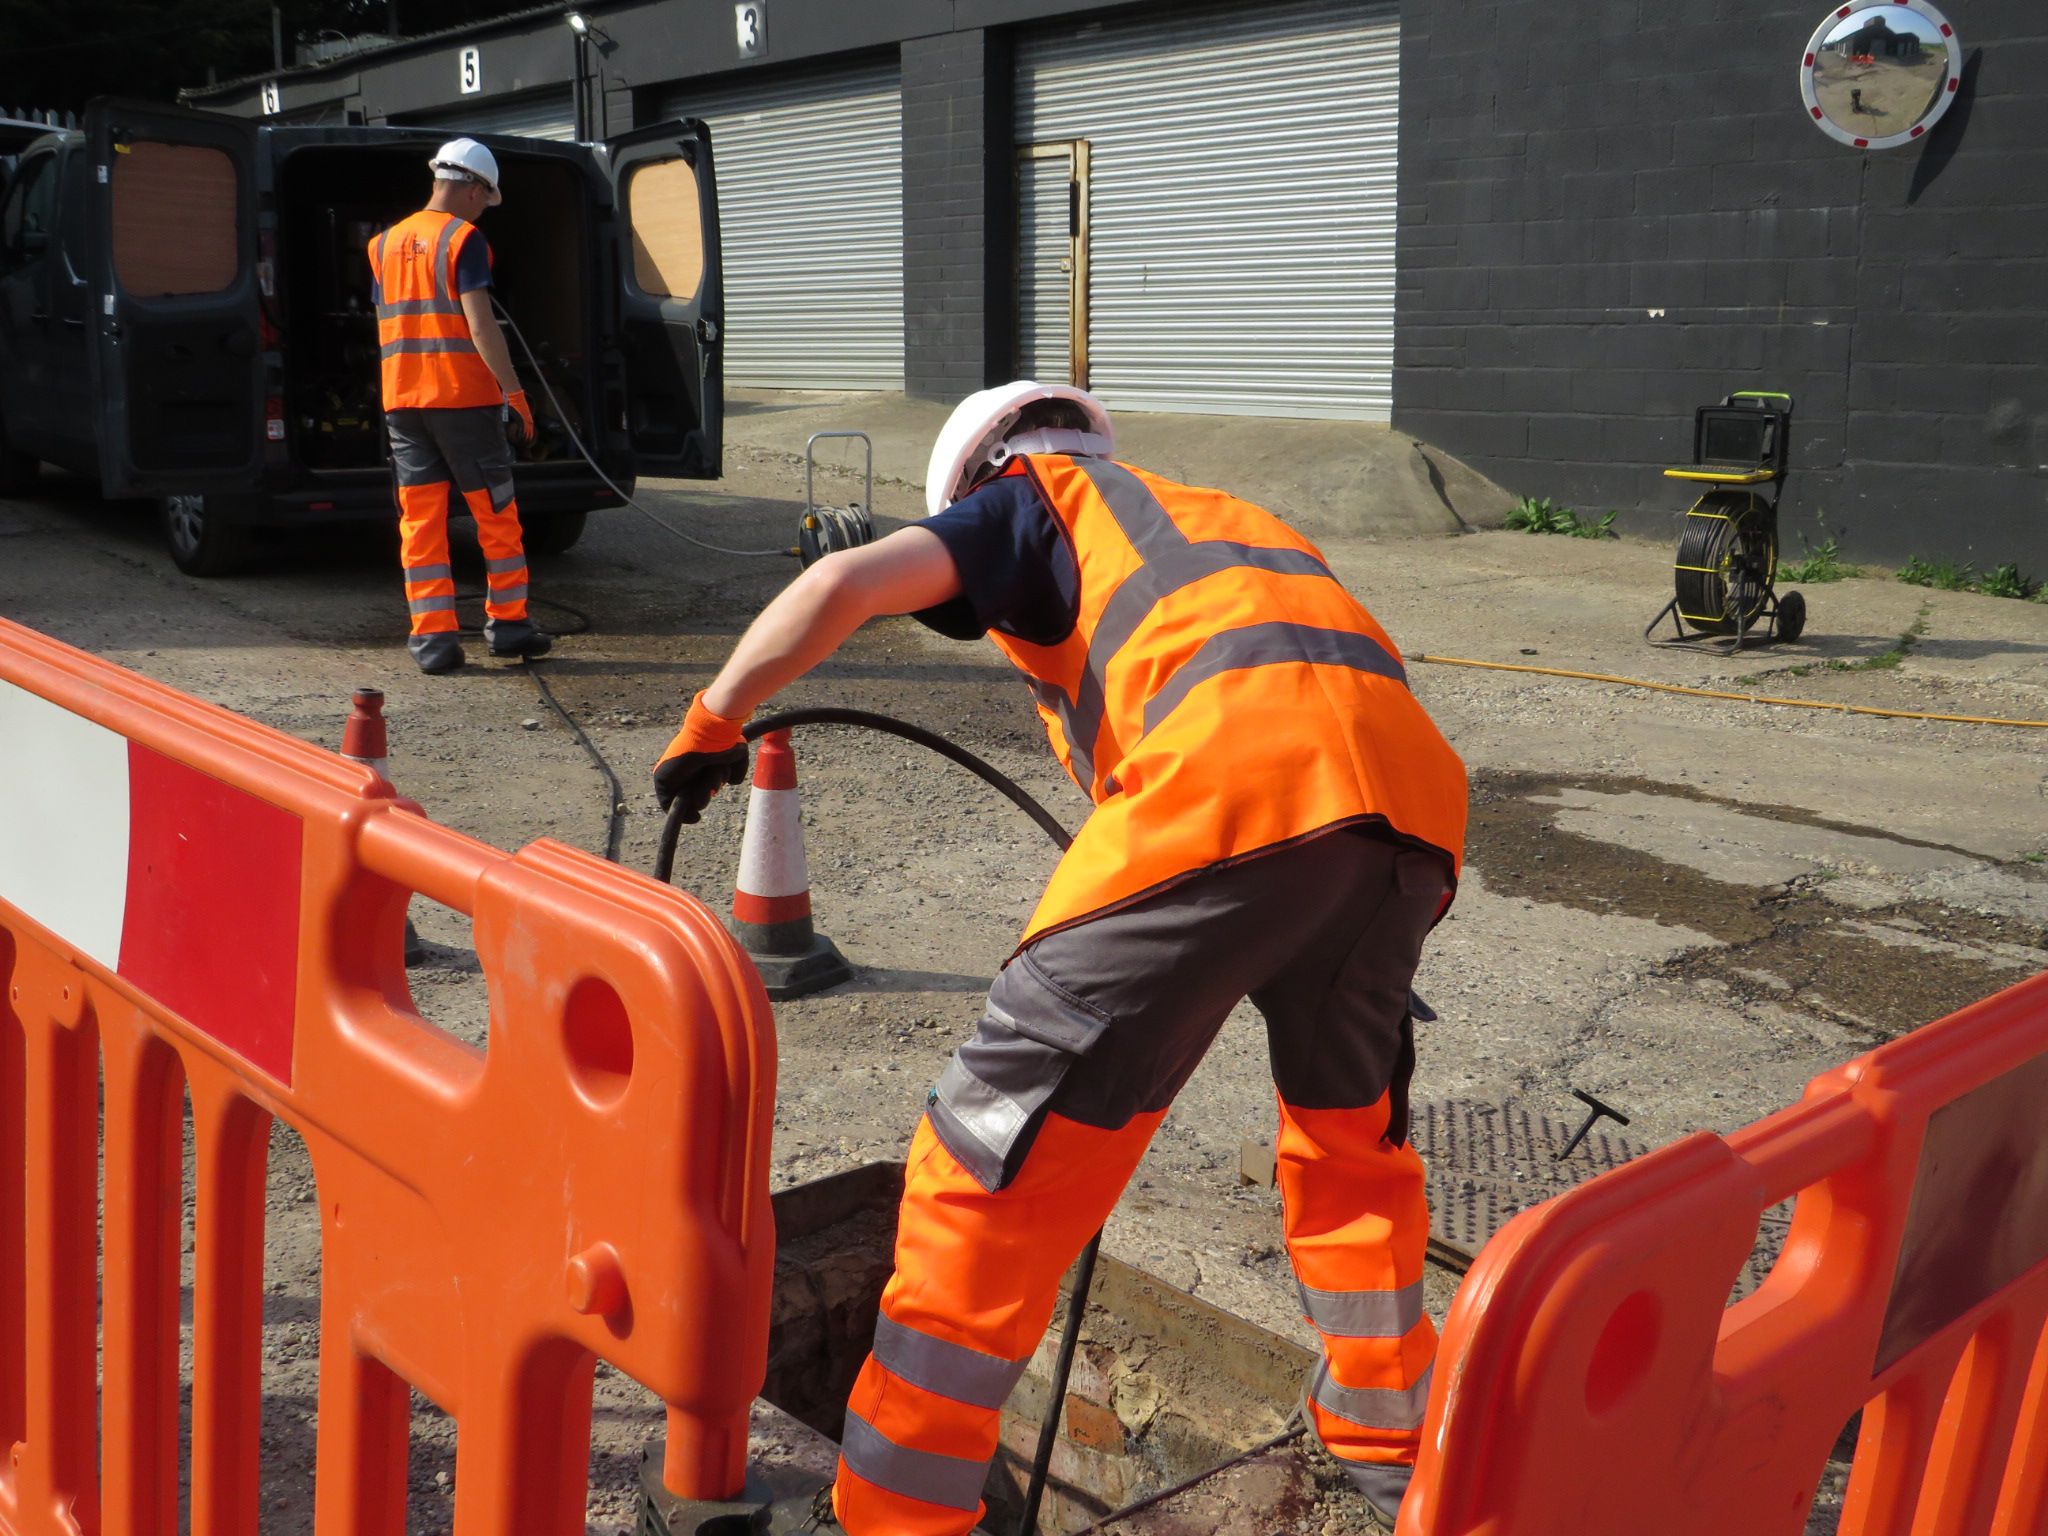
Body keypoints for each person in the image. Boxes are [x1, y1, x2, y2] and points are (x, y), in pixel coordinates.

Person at [652, 381, 1468, 1534]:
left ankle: (895, 1513)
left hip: (1228, 798)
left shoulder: (1026, 502)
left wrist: (715, 716)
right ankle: (1391, 1458)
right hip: (1408, 824)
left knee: (981, 1170)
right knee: (1350, 1152)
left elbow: (844, 582)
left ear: (983, 472)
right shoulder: (1217, 513)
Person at [367, 138, 550, 674]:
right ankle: (510, 624)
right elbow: (480, 324)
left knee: (420, 521)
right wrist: (514, 394)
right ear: (472, 187)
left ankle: (433, 642)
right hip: (462, 399)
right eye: (484, 198)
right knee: (495, 513)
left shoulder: (383, 244)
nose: (482, 209)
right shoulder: (463, 239)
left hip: (402, 401)